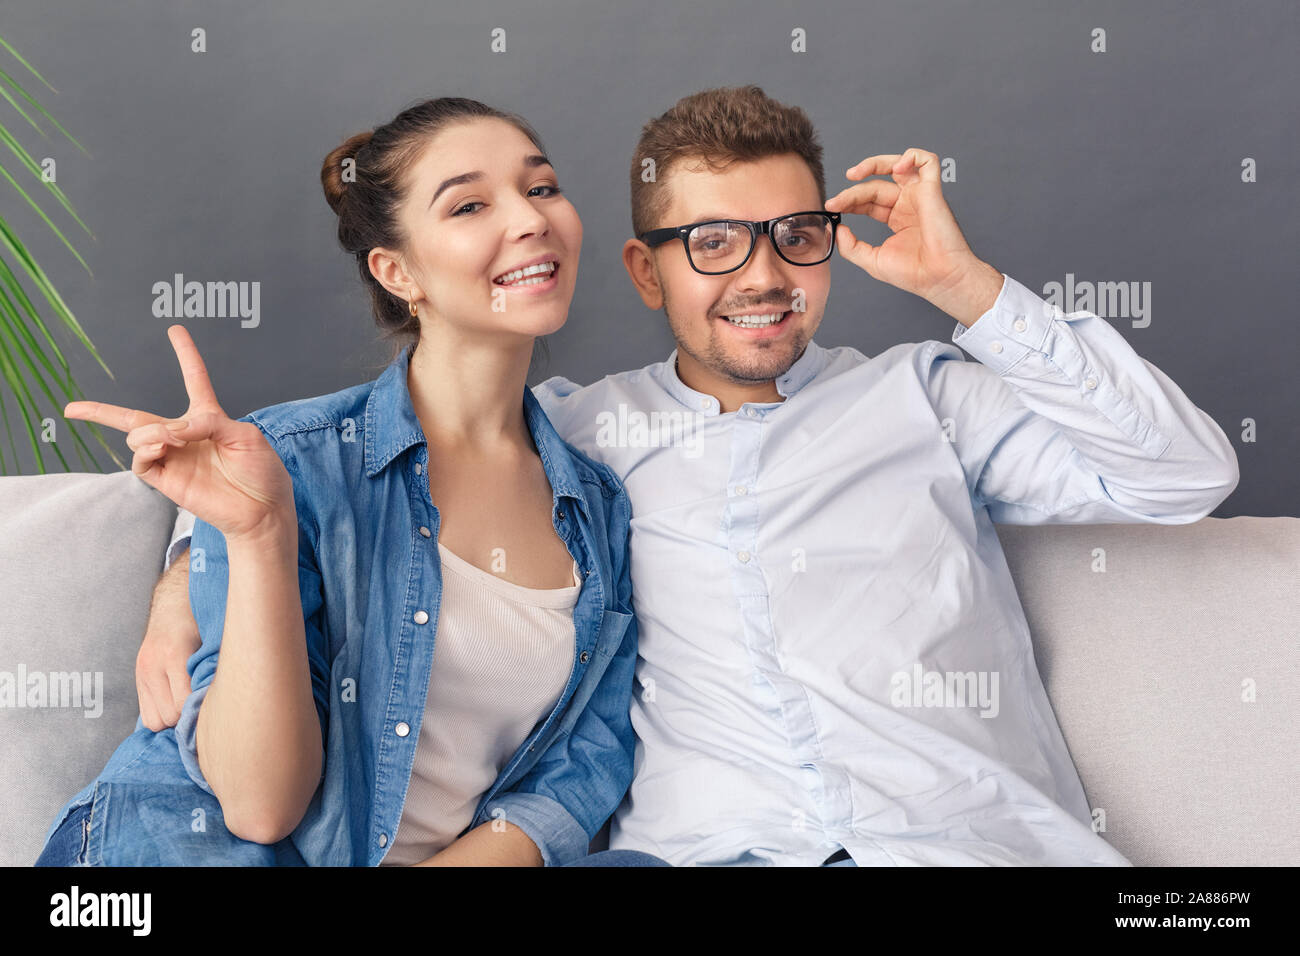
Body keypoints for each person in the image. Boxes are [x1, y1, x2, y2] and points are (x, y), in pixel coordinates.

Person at [139, 86, 1239, 867]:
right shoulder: (579, 442)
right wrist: (186, 576)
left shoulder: (927, 400)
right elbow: (358, 462)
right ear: (643, 269)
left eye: (796, 235)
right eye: (712, 241)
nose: (763, 276)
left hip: (966, 846)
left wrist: (968, 288)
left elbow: (1183, 474)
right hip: (715, 853)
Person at [35, 96, 667, 867]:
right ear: (398, 271)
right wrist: (258, 535)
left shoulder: (597, 507)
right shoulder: (292, 461)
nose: (531, 218)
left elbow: (579, 768)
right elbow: (260, 808)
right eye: (470, 204)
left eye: (540, 188)